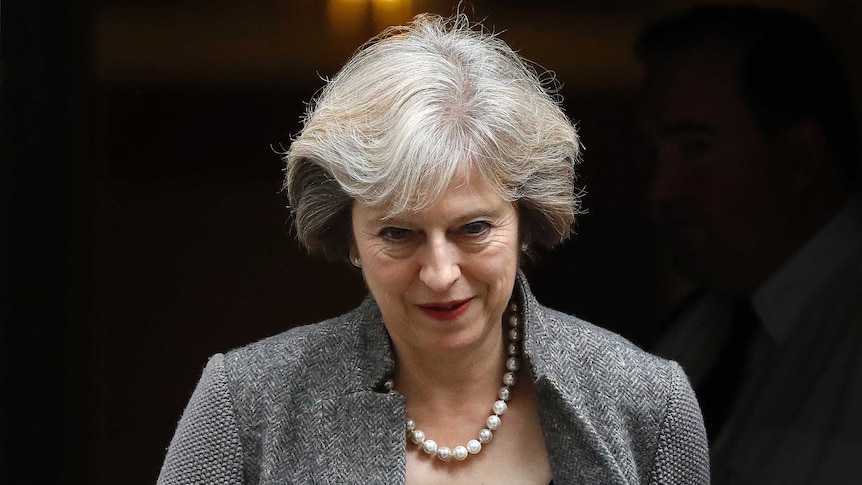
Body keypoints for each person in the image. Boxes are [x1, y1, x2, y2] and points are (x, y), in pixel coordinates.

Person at [158, 13, 708, 484]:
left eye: (472, 229)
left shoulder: (647, 406)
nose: (441, 273)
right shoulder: (247, 405)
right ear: (348, 236)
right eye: (399, 234)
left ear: (525, 217)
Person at [636, 5, 862, 484]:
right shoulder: (691, 336)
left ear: (799, 156)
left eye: (696, 147)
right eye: (653, 154)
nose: (660, 189)